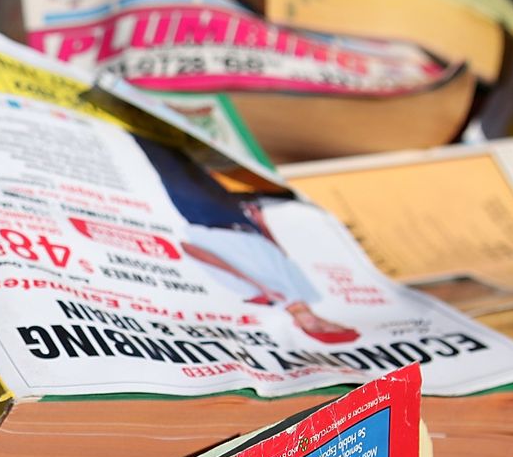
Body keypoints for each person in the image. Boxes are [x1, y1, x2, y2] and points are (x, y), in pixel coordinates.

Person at [140, 140, 360, 346]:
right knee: (191, 160)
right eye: (329, 325)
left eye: (316, 328)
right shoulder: (311, 294)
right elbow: (281, 258)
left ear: (298, 326)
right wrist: (261, 223)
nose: (318, 322)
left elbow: (191, 250)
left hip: (208, 221)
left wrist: (258, 286)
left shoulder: (257, 298)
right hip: (243, 221)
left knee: (167, 163)